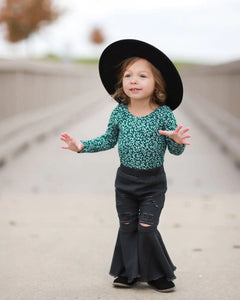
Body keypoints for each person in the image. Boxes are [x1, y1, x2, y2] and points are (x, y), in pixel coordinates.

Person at [60, 39, 191, 293]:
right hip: (126, 181)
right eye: (128, 75)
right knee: (128, 226)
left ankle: (157, 274)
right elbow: (108, 139)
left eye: (142, 75)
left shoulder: (163, 113)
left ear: (156, 83)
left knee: (147, 228)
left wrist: (177, 141)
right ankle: (127, 272)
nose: (134, 80)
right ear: (121, 82)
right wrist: (81, 145)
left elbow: (175, 151)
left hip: (153, 182)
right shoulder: (120, 112)